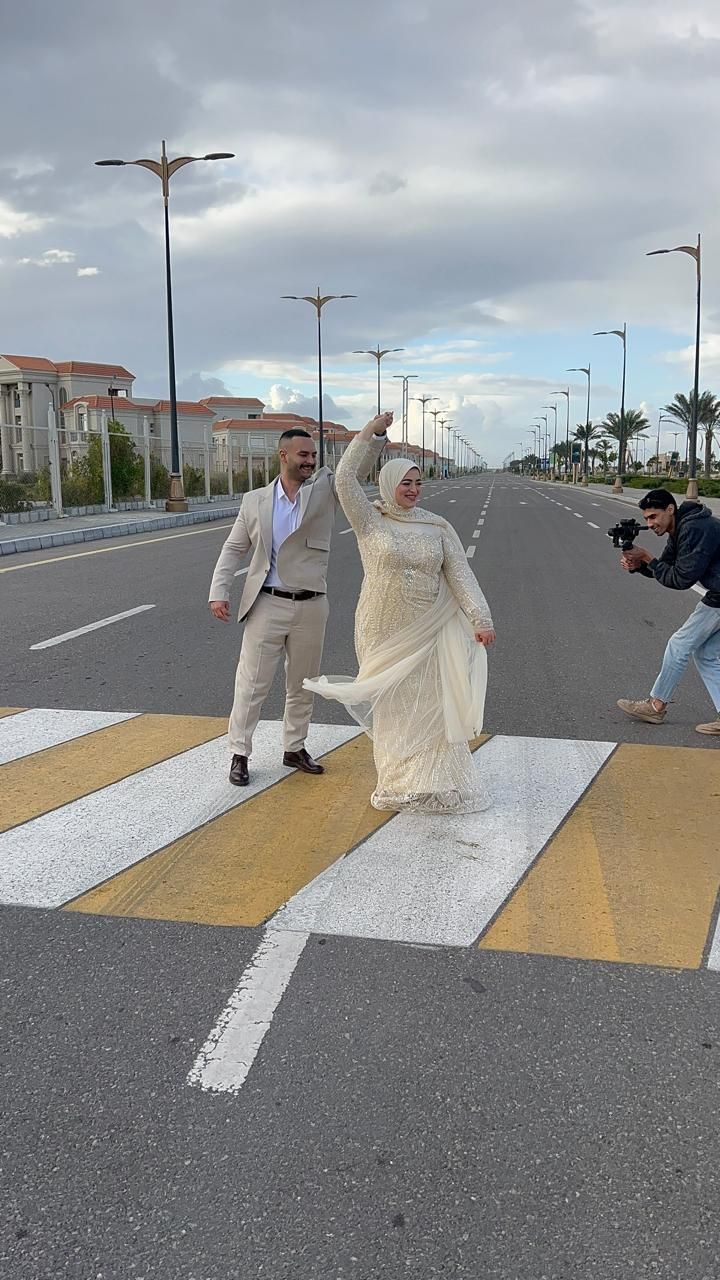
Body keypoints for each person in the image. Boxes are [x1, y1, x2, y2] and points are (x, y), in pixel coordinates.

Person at [304, 412, 496, 814]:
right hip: (380, 626)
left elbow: (460, 574)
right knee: (392, 704)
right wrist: (372, 435)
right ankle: (397, 782)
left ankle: (433, 781)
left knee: (430, 703)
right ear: (388, 484)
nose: (413, 490)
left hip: (429, 626)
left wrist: (481, 618)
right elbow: (344, 479)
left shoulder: (437, 527)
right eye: (405, 483)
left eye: (417, 483)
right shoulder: (370, 520)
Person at [209, 424, 388, 785]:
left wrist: (375, 436)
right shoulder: (255, 501)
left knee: (303, 684)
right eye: (303, 454)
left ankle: (294, 748)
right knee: (251, 684)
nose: (310, 461)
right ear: (284, 455)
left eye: (313, 455)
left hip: (311, 606)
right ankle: (239, 753)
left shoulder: (325, 489)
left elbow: (355, 470)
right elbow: (234, 548)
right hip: (267, 604)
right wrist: (219, 590)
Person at [617, 488, 720, 734]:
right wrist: (638, 564)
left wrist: (647, 557)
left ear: (670, 510)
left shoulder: (695, 529)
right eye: (646, 519)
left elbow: (681, 578)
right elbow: (665, 567)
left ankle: (656, 706)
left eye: (653, 516)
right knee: (705, 654)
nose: (650, 524)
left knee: (679, 644)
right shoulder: (682, 527)